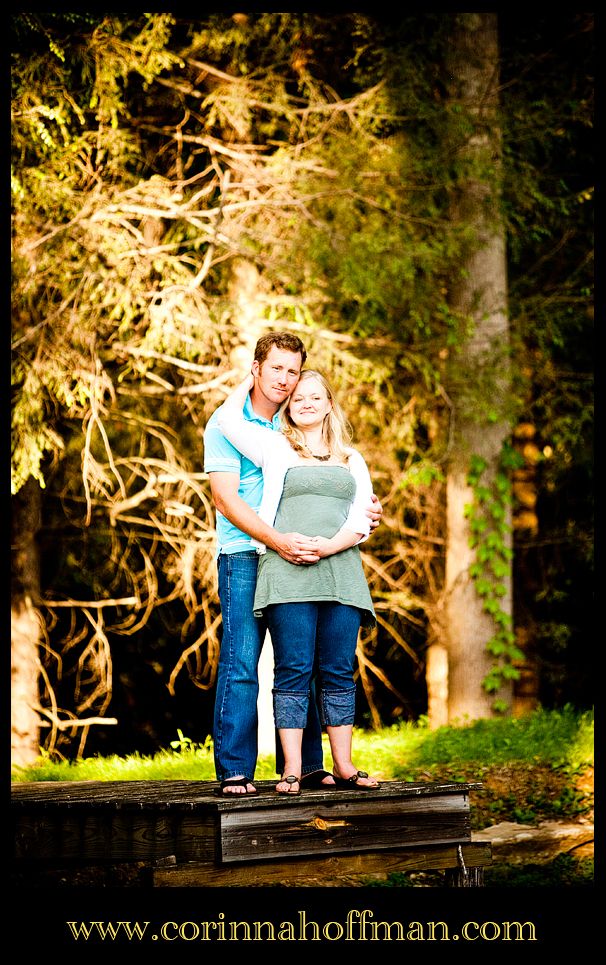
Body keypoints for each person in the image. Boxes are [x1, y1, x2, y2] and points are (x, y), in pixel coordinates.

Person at [204, 332, 382, 796]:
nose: (285, 380)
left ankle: (306, 767)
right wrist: (276, 540)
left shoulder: (298, 436)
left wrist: (358, 517)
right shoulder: (231, 427)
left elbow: (347, 496)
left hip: (299, 556)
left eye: (293, 372)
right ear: (257, 368)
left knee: (301, 660)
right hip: (247, 553)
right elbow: (224, 498)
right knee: (243, 661)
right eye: (276, 369)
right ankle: (236, 771)